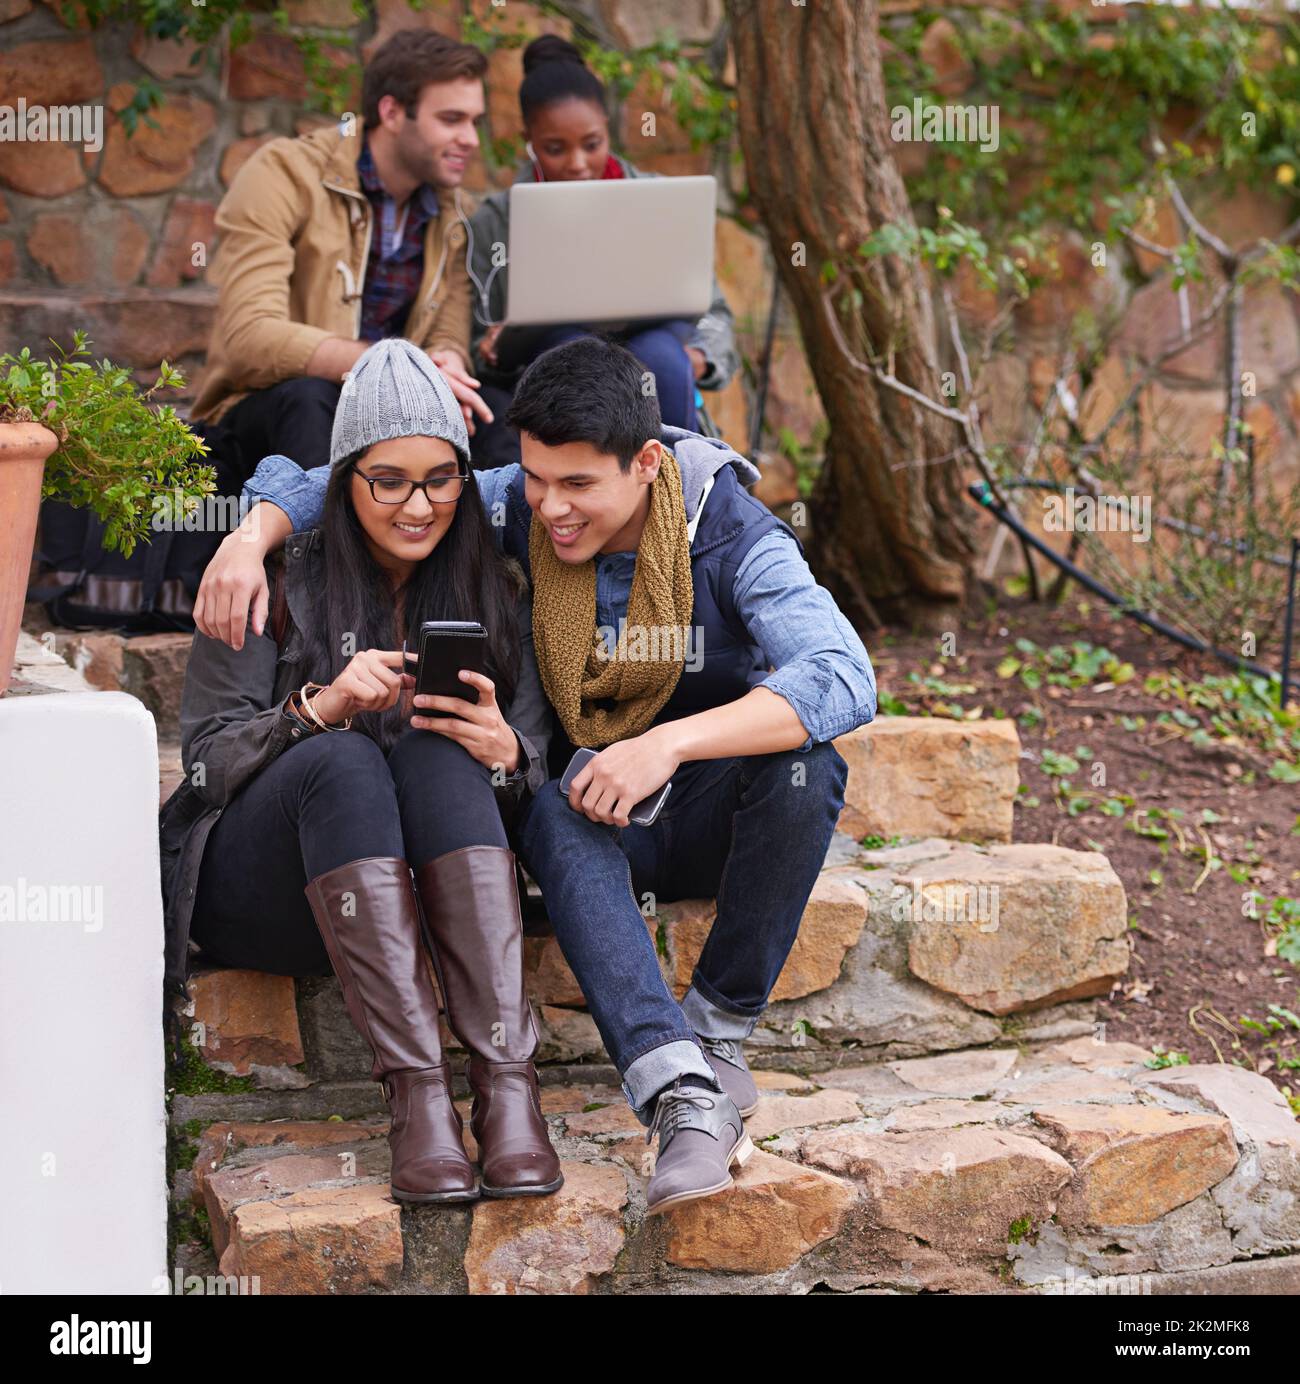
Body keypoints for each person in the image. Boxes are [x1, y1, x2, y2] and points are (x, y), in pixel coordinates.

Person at [190, 335, 876, 1216]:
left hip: (694, 797)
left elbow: (842, 676)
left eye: (579, 486)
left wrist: (665, 746)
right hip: (584, 806)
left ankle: (715, 1038)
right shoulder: (512, 502)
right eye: (535, 478)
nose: (550, 507)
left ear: (647, 464)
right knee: (547, 807)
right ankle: (661, 1095)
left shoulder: (733, 535)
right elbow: (367, 474)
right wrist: (252, 532)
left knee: (802, 767)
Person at [160, 339, 562, 1206]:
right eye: (388, 480)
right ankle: (419, 1105)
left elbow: (529, 771)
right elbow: (203, 767)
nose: (418, 506)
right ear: (344, 479)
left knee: (437, 750)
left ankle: (506, 1094)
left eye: (440, 479)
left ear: (465, 477)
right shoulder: (267, 577)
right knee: (341, 758)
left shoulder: (496, 585)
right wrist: (319, 709)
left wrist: (507, 752)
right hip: (270, 893)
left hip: (421, 902)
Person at [188, 29, 494, 492]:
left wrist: (446, 362)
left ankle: (503, 563)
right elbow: (249, 336)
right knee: (313, 400)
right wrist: (394, 367)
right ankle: (315, 563)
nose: (470, 138)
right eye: (452, 119)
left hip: (395, 414)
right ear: (392, 112)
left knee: (490, 408)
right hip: (265, 410)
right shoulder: (284, 173)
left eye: (475, 121)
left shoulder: (456, 212)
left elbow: (448, 329)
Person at [464, 35, 739, 467]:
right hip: (551, 381)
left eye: (591, 144)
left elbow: (714, 314)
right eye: (555, 149)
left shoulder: (658, 200)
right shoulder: (496, 221)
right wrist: (492, 344)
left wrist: (700, 357)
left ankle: (676, 509)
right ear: (529, 140)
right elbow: (476, 340)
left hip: (656, 357)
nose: (577, 164)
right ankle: (584, 504)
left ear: (609, 131)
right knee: (574, 358)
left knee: (662, 360)